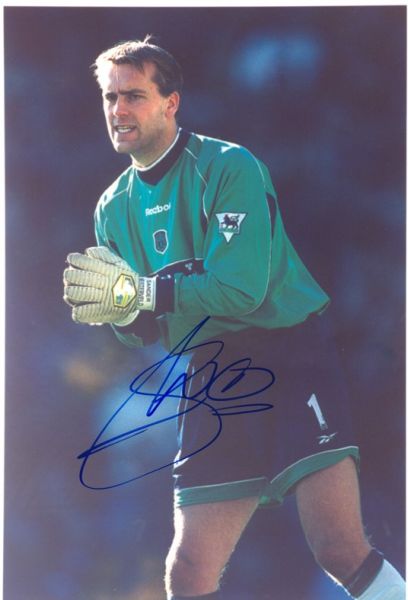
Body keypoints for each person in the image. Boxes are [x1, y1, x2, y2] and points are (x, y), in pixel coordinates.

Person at [63, 36, 405, 600]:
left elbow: (242, 291)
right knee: (189, 570)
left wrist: (140, 291)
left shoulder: (228, 166)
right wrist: (117, 312)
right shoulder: (111, 207)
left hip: (289, 351)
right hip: (212, 371)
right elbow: (143, 329)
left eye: (134, 96)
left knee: (338, 548)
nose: (118, 110)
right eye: (110, 97)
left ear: (171, 103)